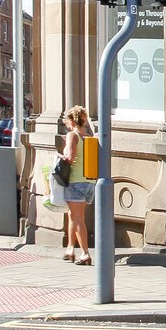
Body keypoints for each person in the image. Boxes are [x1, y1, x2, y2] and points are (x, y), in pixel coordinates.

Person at [60, 106, 95, 265]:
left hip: (75, 181)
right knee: (72, 215)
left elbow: (70, 157)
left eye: (67, 120)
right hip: (89, 182)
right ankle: (69, 249)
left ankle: (85, 254)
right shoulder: (87, 136)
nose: (66, 123)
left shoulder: (72, 135)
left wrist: (60, 155)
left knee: (79, 219)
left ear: (72, 120)